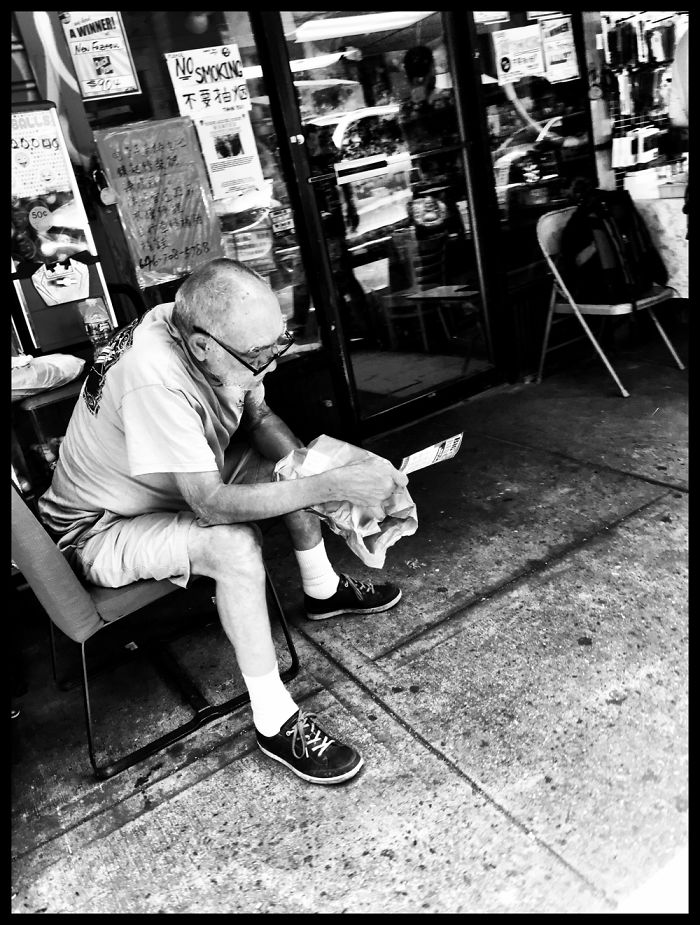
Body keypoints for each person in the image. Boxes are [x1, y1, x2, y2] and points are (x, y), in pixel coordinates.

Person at [39, 258, 408, 785]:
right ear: (202, 347)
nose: (272, 365)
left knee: (289, 468)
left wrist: (313, 470)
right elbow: (209, 504)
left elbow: (259, 418)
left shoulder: (211, 327)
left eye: (279, 343)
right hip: (99, 528)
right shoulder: (156, 375)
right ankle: (274, 720)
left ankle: (322, 590)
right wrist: (332, 486)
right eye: (261, 356)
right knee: (234, 545)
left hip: (164, 489)